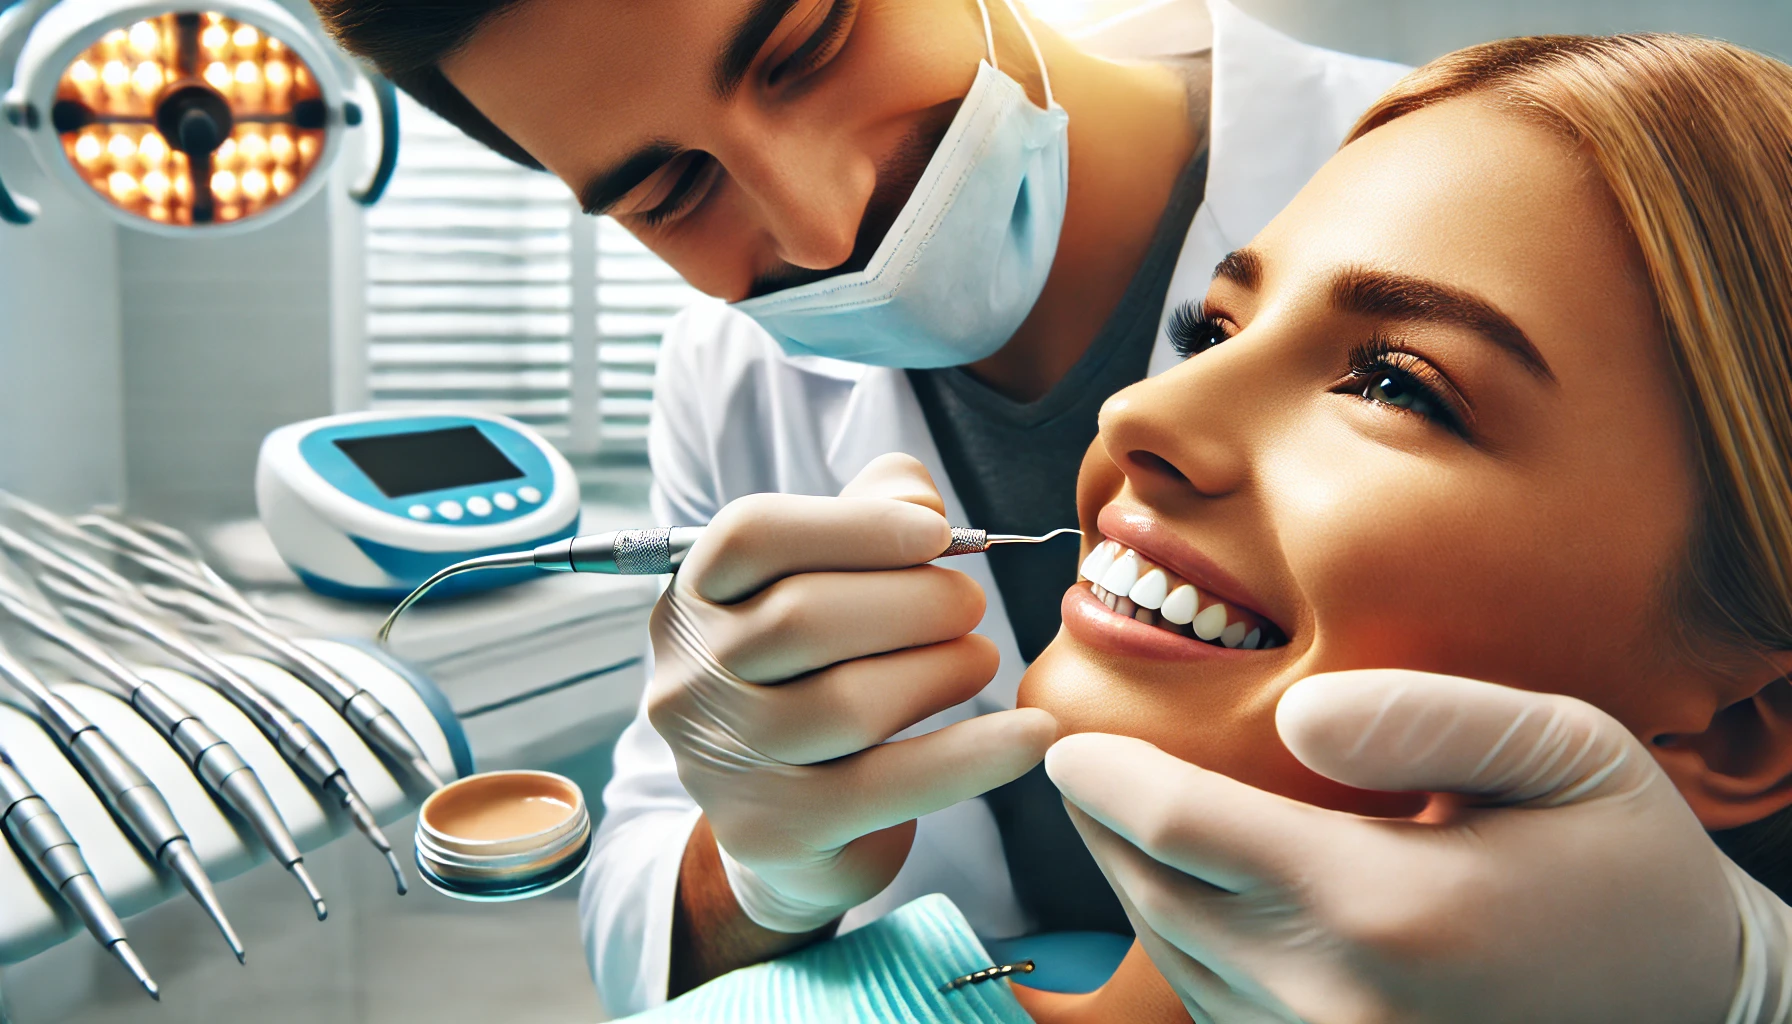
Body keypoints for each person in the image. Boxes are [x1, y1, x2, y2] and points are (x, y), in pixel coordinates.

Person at [305, 0, 1792, 1014]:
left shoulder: (1502, 172)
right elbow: (657, 895)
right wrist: (756, 863)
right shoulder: (726, 374)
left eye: (808, 43)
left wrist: (1742, 977)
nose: (819, 229)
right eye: (664, 193)